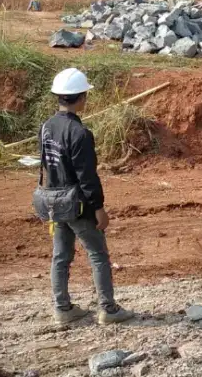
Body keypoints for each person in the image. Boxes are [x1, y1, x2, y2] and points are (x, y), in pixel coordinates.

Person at [42, 68, 134, 325]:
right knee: (98, 254)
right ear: (81, 97)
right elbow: (87, 177)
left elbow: (47, 167)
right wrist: (99, 208)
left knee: (61, 256)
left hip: (55, 202)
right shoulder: (80, 134)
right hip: (78, 204)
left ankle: (62, 309)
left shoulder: (47, 127)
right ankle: (108, 309)